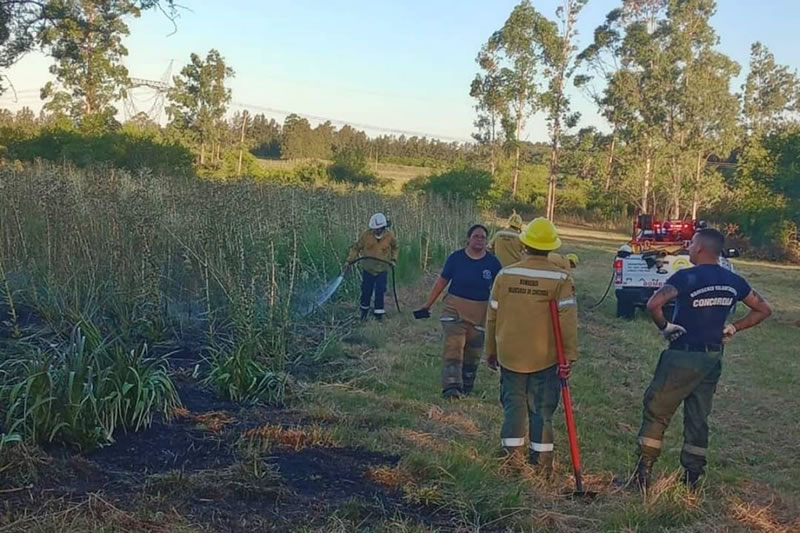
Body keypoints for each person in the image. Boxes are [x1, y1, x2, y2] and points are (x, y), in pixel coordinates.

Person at [635, 228, 772, 491]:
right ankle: (692, 478)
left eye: (692, 242)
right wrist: (735, 327)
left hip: (682, 356)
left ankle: (642, 474)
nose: (688, 245)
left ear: (700, 248)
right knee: (698, 418)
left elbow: (654, 304)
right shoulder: (734, 280)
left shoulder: (687, 277)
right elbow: (764, 309)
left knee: (657, 412)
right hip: (711, 358)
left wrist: (665, 327)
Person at [485, 218, 578, 475]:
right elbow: (568, 319)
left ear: (524, 244)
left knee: (514, 404)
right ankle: (542, 463)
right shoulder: (560, 277)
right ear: (551, 247)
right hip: (545, 355)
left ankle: (511, 460)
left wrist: (490, 350)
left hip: (509, 353)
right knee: (542, 408)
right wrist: (569, 356)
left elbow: (492, 315)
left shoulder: (505, 275)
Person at [417, 224, 502, 399]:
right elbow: (441, 282)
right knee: (454, 347)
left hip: (479, 313)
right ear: (468, 239)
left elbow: (501, 289)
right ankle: (451, 387)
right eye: (476, 236)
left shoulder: (492, 263)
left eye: (483, 237)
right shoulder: (456, 258)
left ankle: (467, 386)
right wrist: (427, 305)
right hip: (454, 309)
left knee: (473, 353)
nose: (479, 240)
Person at [343, 213, 399, 321]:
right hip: (368, 269)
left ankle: (378, 315)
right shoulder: (366, 235)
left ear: (383, 227)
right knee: (366, 290)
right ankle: (363, 313)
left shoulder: (389, 236)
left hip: (382, 269)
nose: (375, 231)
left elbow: (396, 247)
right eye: (373, 229)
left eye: (377, 229)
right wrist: (349, 261)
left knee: (380, 291)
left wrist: (393, 260)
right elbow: (356, 248)